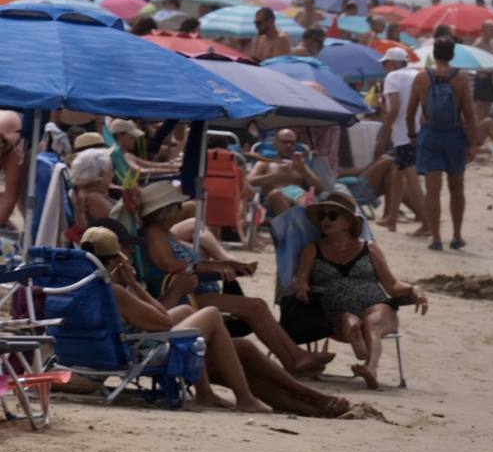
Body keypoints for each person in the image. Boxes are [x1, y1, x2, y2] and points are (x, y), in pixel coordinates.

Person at [84, 224, 350, 417]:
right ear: (116, 258)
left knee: (240, 348)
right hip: (139, 352)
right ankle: (247, 398)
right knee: (210, 316)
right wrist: (135, 285)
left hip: (122, 346)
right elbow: (162, 322)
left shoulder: (81, 285)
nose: (130, 252)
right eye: (126, 249)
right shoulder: (115, 291)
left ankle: (312, 403)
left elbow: (158, 318)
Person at [138, 181, 332, 377]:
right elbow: (169, 265)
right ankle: (295, 358)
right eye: (177, 207)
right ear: (165, 211)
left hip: (194, 291)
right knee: (255, 307)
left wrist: (230, 266)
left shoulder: (164, 233)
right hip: (183, 296)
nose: (180, 210)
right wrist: (213, 267)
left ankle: (294, 357)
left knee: (256, 306)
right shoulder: (154, 233)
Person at [292, 191, 428, 389]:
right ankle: (359, 340)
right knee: (350, 320)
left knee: (372, 322)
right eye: (322, 216)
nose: (325, 220)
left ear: (347, 222)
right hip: (334, 310)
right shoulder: (313, 249)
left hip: (376, 303)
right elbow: (301, 279)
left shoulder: (369, 248)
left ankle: (370, 367)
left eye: (332, 215)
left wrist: (415, 289)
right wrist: (301, 286)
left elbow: (391, 284)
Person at [407, 38, 476, 251]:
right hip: (454, 136)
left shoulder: (421, 77)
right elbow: (470, 114)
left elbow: (410, 113)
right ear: (452, 55)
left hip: (429, 136)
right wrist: (472, 144)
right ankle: (456, 235)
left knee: (432, 189)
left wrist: (413, 136)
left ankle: (436, 238)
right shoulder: (461, 78)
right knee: (457, 188)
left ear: (434, 53)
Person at [375, 47, 428, 235]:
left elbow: (395, 108)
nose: (384, 67)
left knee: (410, 176)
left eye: (386, 63)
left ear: (394, 63)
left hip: (404, 134)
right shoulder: (419, 75)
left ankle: (427, 222)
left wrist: (383, 133)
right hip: (420, 131)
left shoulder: (393, 77)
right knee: (397, 172)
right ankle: (391, 217)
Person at [247, 127, 322, 217]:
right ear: (275, 144)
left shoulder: (301, 164)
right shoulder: (265, 162)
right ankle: (291, 227)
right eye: (284, 142)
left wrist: (304, 171)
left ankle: (299, 226)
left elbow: (320, 189)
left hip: (298, 193)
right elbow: (248, 181)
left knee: (307, 199)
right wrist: (276, 176)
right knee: (277, 194)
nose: (289, 146)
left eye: (292, 143)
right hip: (274, 197)